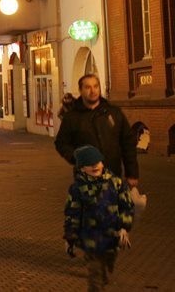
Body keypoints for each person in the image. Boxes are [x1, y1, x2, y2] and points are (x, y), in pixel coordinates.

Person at [64, 145, 133, 291]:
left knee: (107, 266)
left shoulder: (116, 183)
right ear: (82, 168)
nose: (95, 166)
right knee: (95, 275)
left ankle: (104, 275)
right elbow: (72, 213)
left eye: (97, 162)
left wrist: (124, 227)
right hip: (91, 239)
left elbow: (126, 206)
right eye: (89, 164)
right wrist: (70, 237)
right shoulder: (77, 188)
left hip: (112, 236)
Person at [54, 74, 139, 187]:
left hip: (113, 175)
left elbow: (127, 143)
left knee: (113, 204)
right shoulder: (72, 117)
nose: (93, 90)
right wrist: (76, 158)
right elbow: (61, 143)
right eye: (88, 87)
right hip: (85, 179)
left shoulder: (113, 113)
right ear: (80, 90)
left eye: (96, 86)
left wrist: (132, 173)